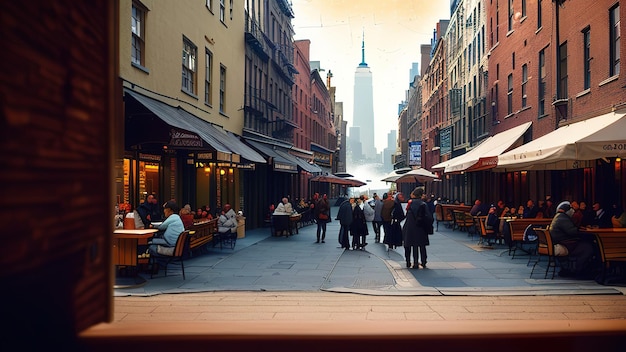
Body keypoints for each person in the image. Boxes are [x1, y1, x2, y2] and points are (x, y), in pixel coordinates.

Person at [549, 201, 597, 278]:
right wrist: (580, 230)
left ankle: (577, 269)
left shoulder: (558, 216)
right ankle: (579, 270)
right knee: (588, 247)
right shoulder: (562, 218)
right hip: (566, 244)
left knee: (586, 244)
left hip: (561, 242)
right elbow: (572, 232)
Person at [402, 187, 431, 269]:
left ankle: (408, 262)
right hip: (420, 227)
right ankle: (423, 262)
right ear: (421, 195)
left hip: (409, 226)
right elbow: (428, 217)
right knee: (421, 245)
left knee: (408, 244)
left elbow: (406, 214)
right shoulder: (423, 204)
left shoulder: (410, 203)